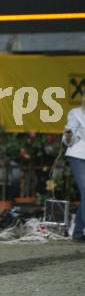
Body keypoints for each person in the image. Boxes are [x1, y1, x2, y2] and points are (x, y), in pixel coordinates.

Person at [63, 92, 85, 242]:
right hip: (78, 155)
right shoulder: (76, 113)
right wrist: (68, 136)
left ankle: (77, 233)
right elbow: (68, 138)